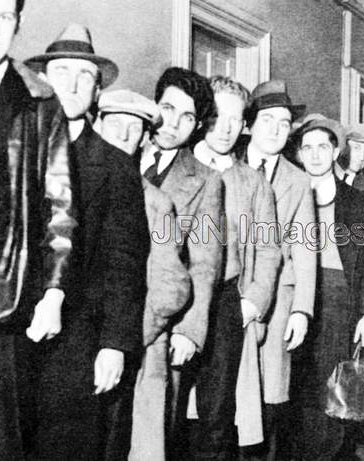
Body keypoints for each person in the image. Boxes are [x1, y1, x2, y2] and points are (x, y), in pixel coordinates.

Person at [26, 24, 150, 460]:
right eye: (61, 71)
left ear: (97, 90)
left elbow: (126, 262)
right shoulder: (19, 150)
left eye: (85, 75)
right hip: (12, 333)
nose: (72, 83)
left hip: (80, 338)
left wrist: (114, 343)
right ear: (44, 80)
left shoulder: (116, 167)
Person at [0, 1, 76, 458]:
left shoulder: (40, 101)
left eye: (4, 18)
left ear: (18, 24)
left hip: (2, 294)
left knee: (2, 442)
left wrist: (54, 293)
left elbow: (62, 208)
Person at [94, 88, 191, 461]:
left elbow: (173, 286)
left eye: (133, 129)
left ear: (145, 139)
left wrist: (127, 336)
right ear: (96, 125)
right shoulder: (62, 182)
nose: (121, 135)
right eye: (113, 124)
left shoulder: (156, 202)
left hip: (125, 348)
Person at [190, 76, 281, 459]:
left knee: (218, 412)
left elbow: (268, 249)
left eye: (236, 118)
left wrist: (252, 303)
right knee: (172, 408)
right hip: (180, 300)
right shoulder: (179, 167)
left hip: (228, 302)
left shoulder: (252, 182)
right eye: (218, 115)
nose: (226, 127)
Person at [141, 67, 223, 459]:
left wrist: (190, 330)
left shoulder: (206, 181)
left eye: (187, 117)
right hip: (105, 315)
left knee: (154, 432)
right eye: (168, 108)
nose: (172, 123)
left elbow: (205, 262)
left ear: (197, 127)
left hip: (162, 323)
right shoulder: (118, 149)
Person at [236, 80, 316, 460]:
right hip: (230, 294)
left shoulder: (299, 181)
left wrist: (302, 308)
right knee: (223, 394)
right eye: (267, 120)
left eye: (284, 124)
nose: (276, 130)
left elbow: (304, 248)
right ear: (249, 124)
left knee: (270, 398)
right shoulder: (225, 165)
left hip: (279, 301)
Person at [292, 117, 364, 460]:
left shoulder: (356, 202)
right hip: (295, 294)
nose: (315, 155)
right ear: (299, 154)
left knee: (333, 385)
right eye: (308, 148)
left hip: (338, 297)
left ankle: (329, 452)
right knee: (297, 384)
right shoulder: (287, 192)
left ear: (335, 152)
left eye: (323, 147)